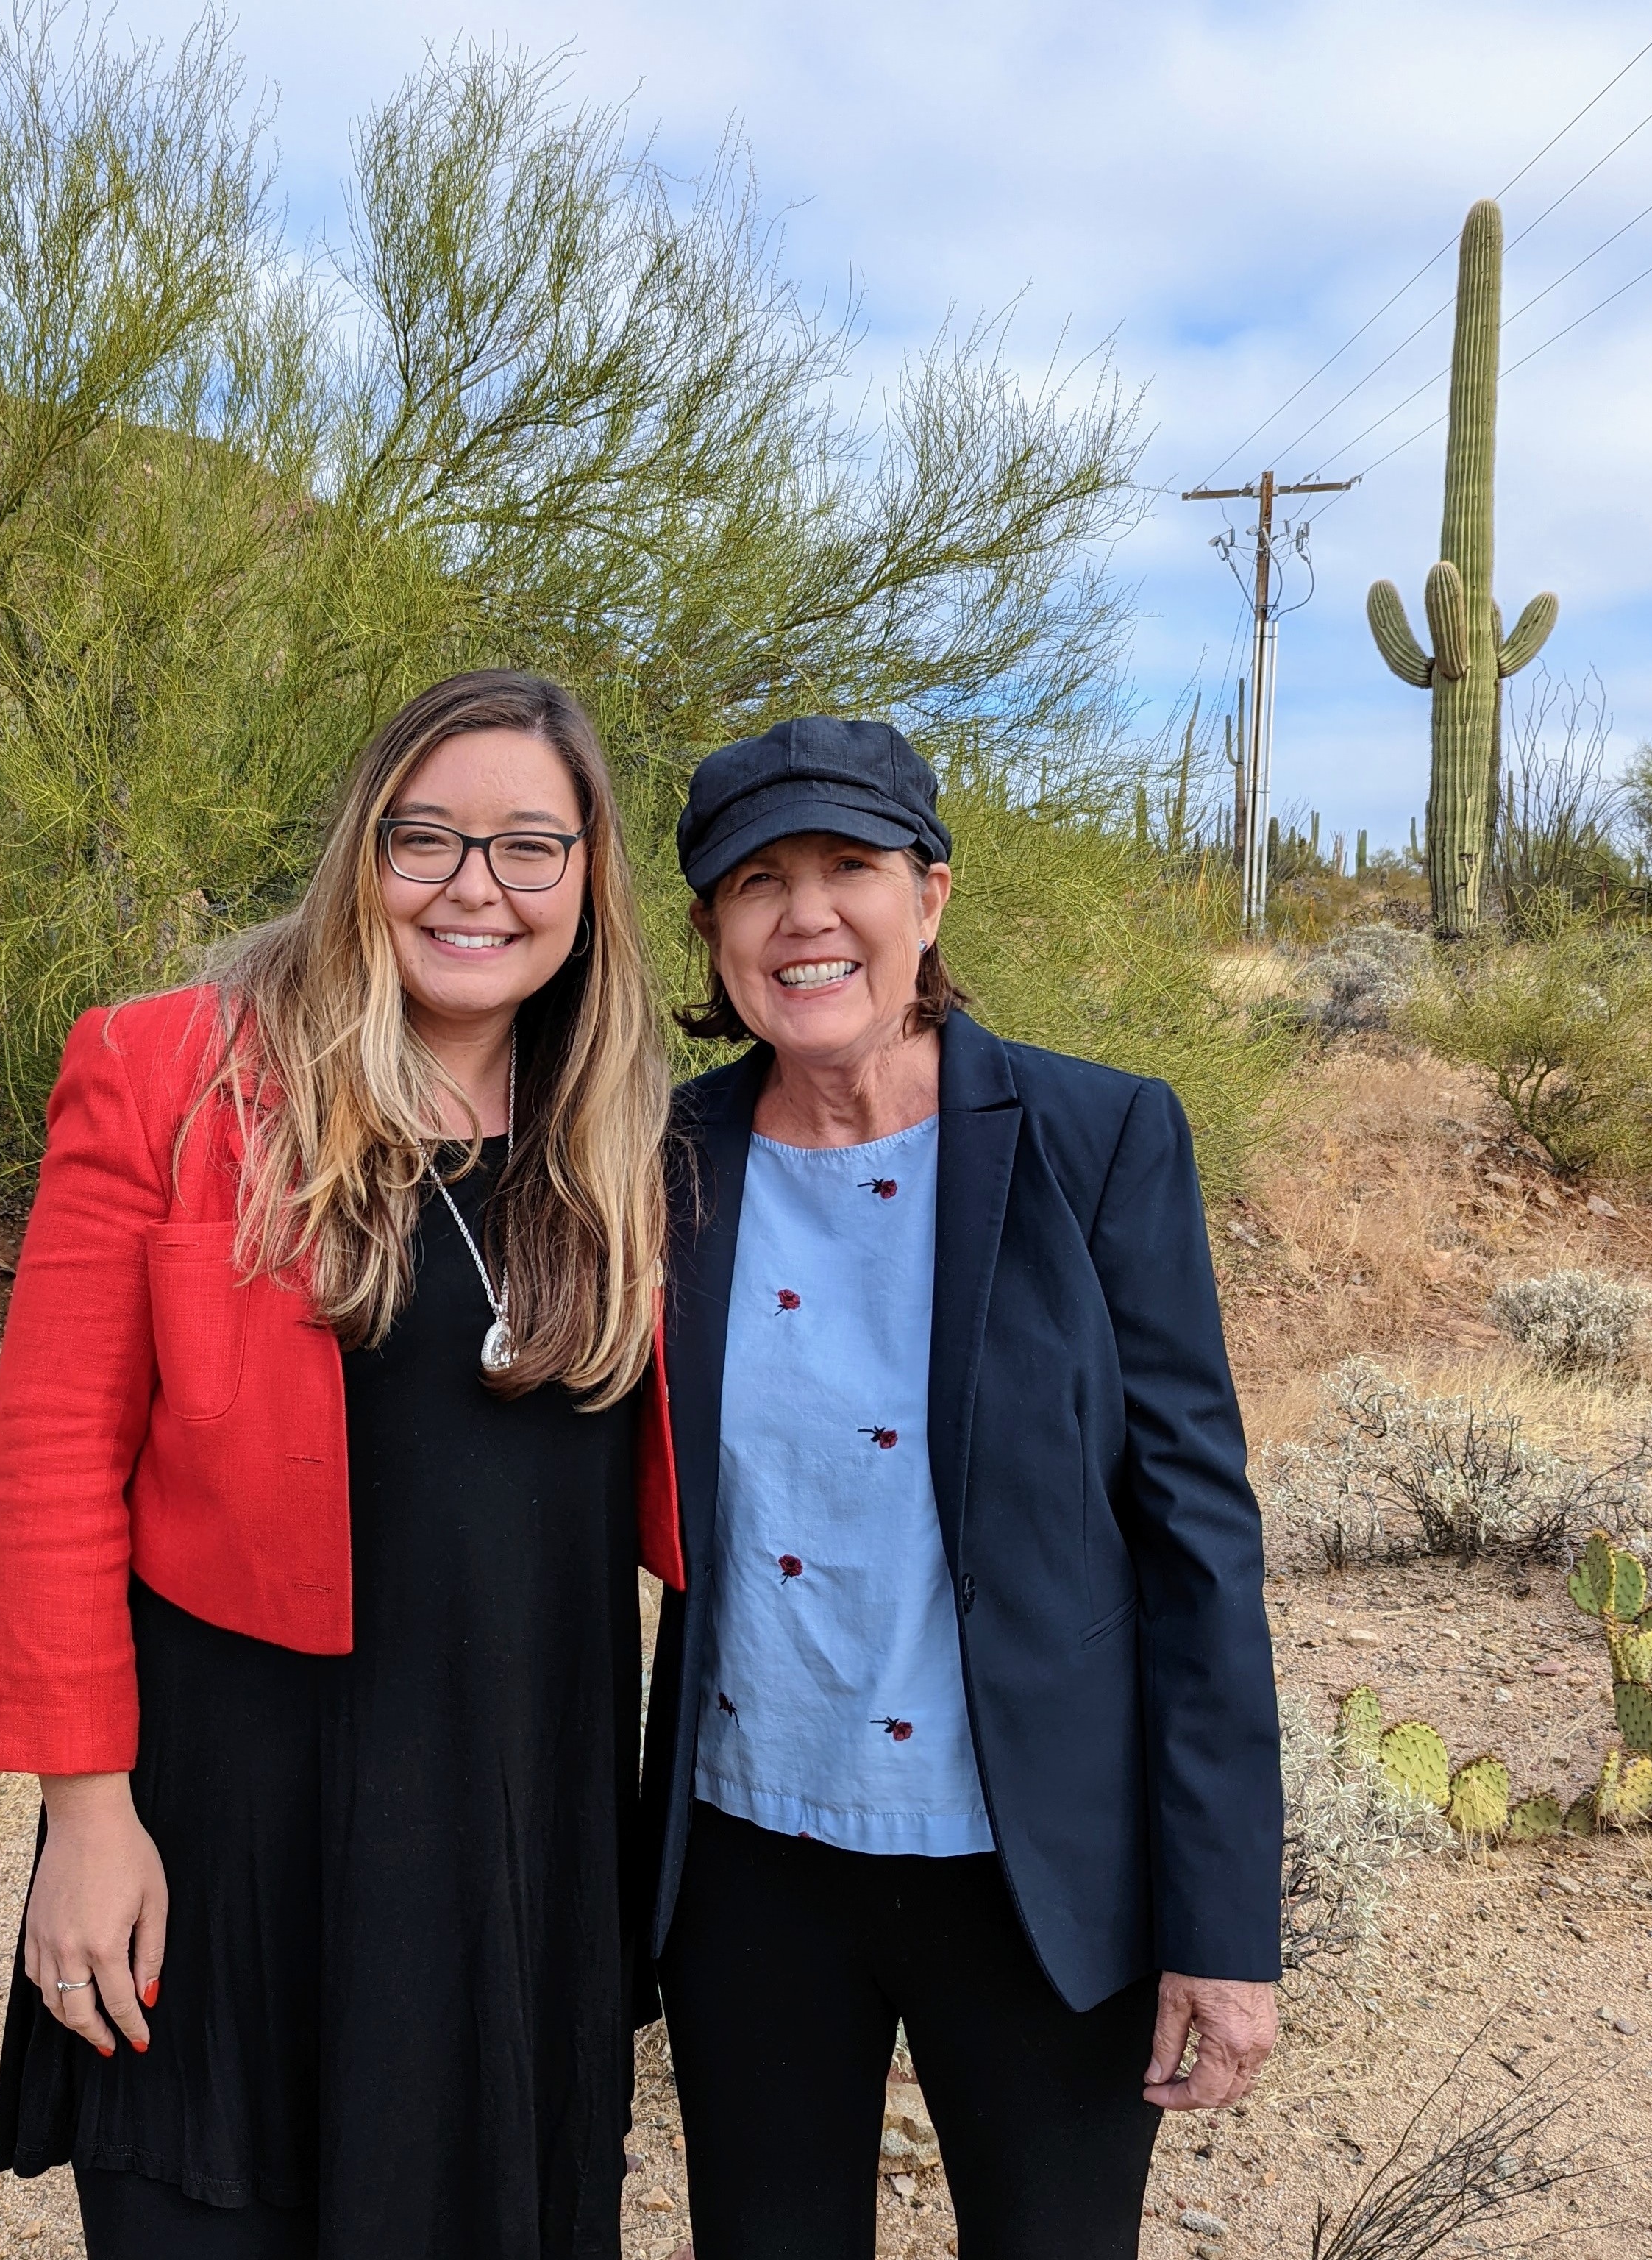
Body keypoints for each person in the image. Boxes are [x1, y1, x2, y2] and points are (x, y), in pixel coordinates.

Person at [0, 670, 684, 2260]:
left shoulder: (634, 1126)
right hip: (237, 1803)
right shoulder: (170, 1074)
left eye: (529, 847)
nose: (474, 889)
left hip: (523, 1800)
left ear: (588, 875)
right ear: (362, 852)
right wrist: (88, 1816)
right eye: (425, 839)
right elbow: (52, 1466)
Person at [639, 716, 1283, 2260]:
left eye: (848, 866)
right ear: (713, 930)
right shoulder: (662, 1160)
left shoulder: (1096, 1136)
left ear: (929, 899)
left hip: (1036, 1866)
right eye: (757, 881)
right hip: (750, 1860)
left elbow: (1197, 1538)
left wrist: (1220, 1926)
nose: (805, 915)